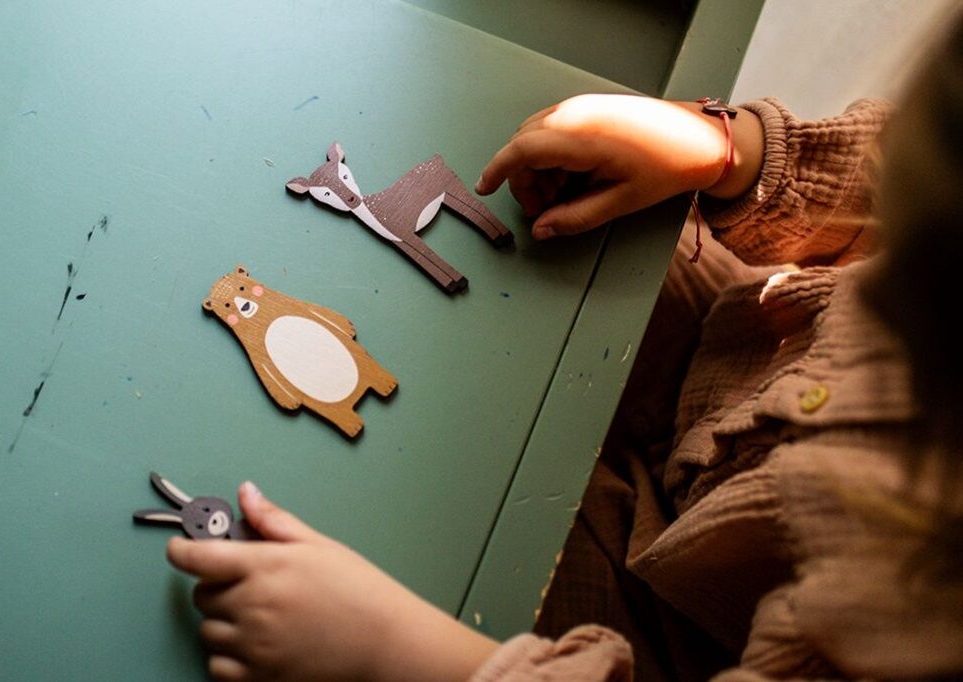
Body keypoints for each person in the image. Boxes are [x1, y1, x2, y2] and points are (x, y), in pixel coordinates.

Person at [166, 13, 963, 681]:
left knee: (404, 533)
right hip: (735, 342)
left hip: (659, 629)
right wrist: (727, 150)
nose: (877, 298)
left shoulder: (903, 637)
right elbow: (893, 159)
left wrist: (402, 653)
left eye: (909, 305)